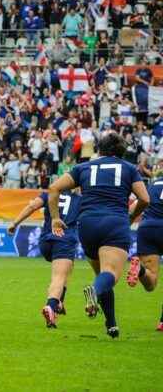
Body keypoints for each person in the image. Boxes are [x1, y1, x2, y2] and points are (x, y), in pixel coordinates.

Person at [47, 132, 149, 339]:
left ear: (99, 149)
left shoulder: (83, 167)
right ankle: (93, 291)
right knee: (109, 274)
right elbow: (144, 199)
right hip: (114, 222)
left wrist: (55, 218)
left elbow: (54, 188)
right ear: (121, 151)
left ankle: (111, 324)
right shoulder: (129, 169)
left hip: (87, 225)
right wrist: (131, 215)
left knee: (102, 275)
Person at [7, 190, 82, 328]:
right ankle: (51, 306)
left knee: (68, 268)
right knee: (59, 277)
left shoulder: (50, 193)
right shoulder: (80, 199)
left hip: (45, 241)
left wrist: (15, 223)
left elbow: (32, 206)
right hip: (64, 239)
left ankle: (60, 301)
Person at [126, 174, 163, 331]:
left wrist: (126, 224)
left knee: (151, 282)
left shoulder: (153, 184)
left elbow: (133, 208)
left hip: (147, 228)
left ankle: (140, 270)